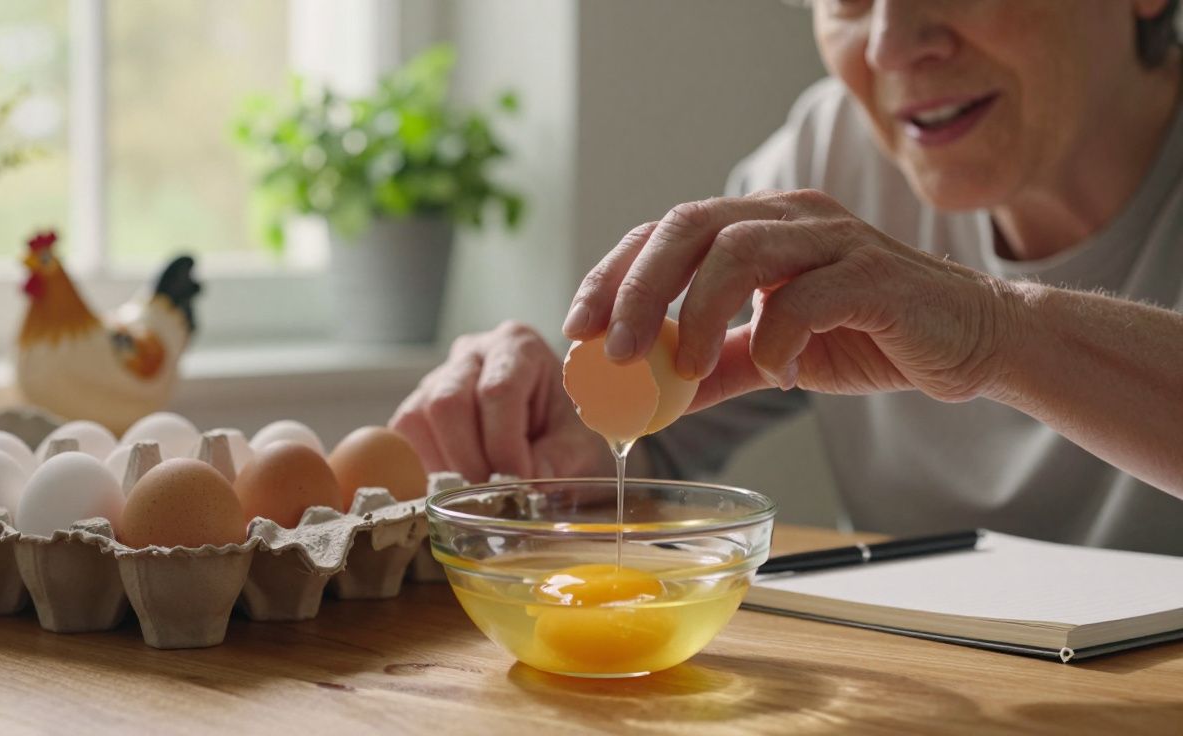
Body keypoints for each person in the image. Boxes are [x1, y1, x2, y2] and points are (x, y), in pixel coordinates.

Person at [391, 0, 1183, 555]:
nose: (888, 46)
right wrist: (567, 440)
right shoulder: (832, 151)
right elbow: (658, 437)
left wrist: (989, 331)